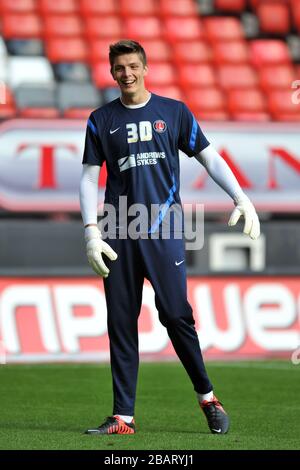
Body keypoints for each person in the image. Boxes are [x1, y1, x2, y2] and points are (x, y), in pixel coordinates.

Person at [79, 40, 260, 436]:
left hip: (165, 227)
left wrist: (240, 196)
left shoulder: (173, 112)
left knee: (176, 314)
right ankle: (122, 417)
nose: (126, 73)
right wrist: (91, 231)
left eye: (132, 66)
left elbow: (209, 157)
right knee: (120, 322)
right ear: (112, 73)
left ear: (145, 68)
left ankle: (208, 398)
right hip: (118, 229)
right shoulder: (100, 119)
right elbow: (90, 176)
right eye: (119, 68)